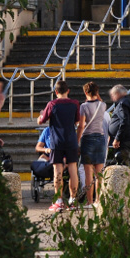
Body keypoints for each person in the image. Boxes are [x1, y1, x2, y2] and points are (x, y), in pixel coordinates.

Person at [37, 80, 81, 212]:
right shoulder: (75, 103)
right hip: (71, 141)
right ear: (68, 91)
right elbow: (77, 121)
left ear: (56, 92)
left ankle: (59, 201)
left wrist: (39, 117)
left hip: (56, 142)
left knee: (57, 171)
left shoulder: (52, 104)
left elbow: (41, 121)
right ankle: (73, 200)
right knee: (73, 170)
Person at [78, 82, 108, 205]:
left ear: (85, 92)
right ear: (97, 92)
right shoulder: (103, 105)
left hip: (87, 139)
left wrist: (77, 141)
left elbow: (81, 126)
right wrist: (97, 94)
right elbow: (100, 100)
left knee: (88, 173)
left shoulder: (83, 106)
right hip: (100, 139)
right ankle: (98, 200)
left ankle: (89, 201)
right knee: (99, 173)